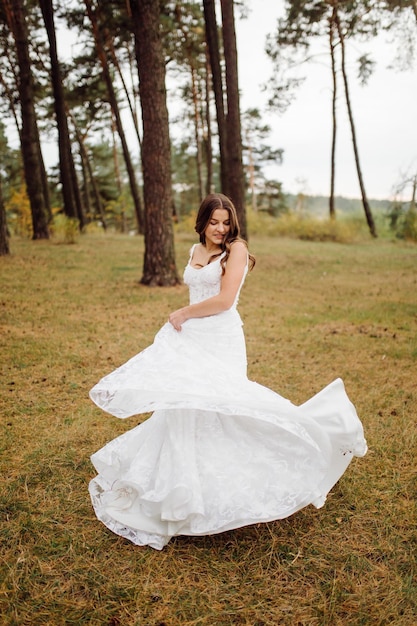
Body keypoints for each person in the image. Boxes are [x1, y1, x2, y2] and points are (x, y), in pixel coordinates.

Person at [89, 193, 367, 550]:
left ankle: (314, 434)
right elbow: (196, 290)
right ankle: (181, 493)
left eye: (225, 222)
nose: (220, 229)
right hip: (191, 340)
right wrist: (186, 321)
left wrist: (182, 314)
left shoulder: (236, 250)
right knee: (183, 410)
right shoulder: (194, 251)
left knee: (224, 408)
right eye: (213, 222)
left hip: (220, 338)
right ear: (202, 221)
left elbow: (224, 299)